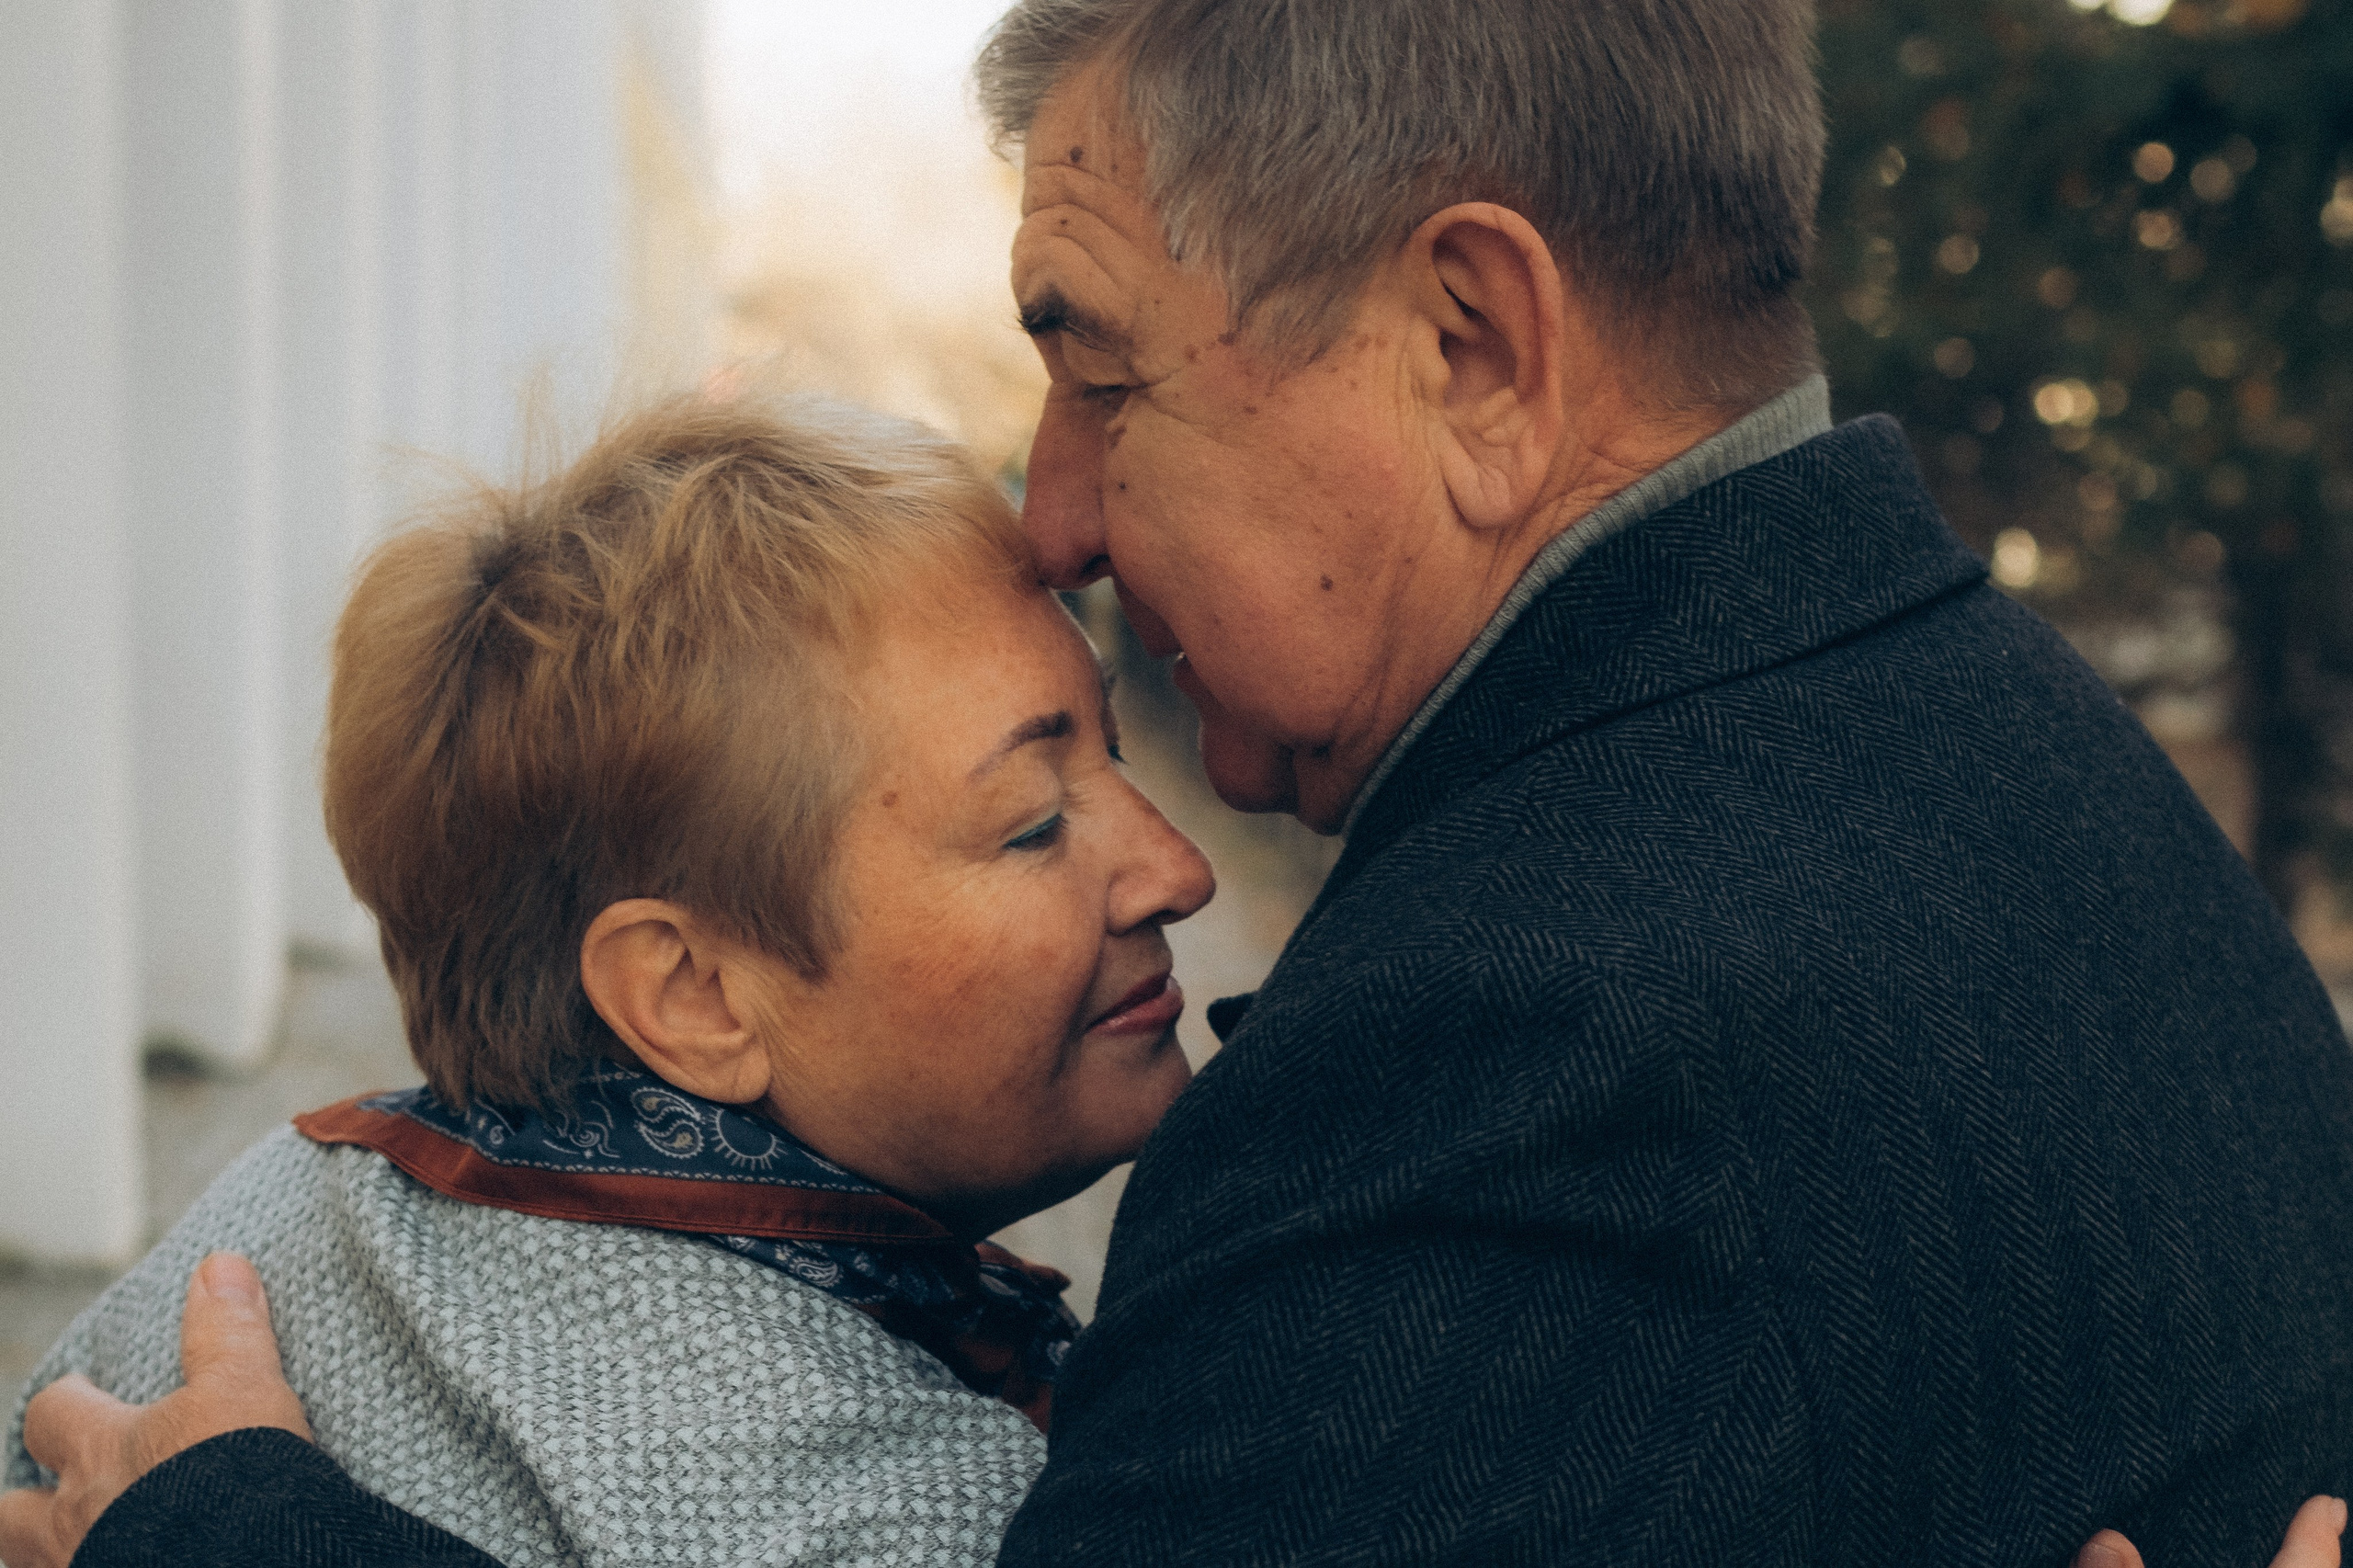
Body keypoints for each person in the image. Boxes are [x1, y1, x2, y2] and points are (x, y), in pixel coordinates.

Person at [6, 0, 2353, 1563]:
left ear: (1471, 345)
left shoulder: (1508, 1061)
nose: (1051, 509)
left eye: (1099, 369)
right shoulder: (2030, 765)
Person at [2, 392, 1214, 1565]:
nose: (1178, 867)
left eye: (1112, 748)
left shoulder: (277, 1213)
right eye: (1034, 821)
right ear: (692, 993)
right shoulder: (903, 1508)